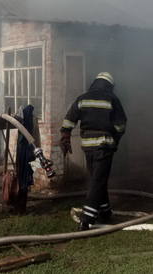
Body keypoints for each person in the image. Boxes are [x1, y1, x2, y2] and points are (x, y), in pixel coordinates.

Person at [60, 72, 127, 230]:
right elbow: (120, 125)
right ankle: (87, 218)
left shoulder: (83, 98)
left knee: (97, 178)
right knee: (98, 180)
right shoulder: (112, 99)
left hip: (87, 146)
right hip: (104, 145)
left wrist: (65, 136)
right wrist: (115, 139)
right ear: (109, 85)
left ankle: (105, 212)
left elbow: (69, 119)